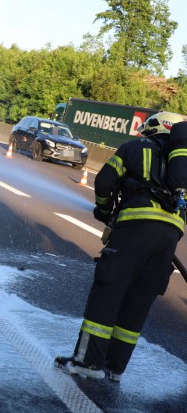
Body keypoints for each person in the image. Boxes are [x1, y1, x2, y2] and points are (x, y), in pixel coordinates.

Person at [54, 111, 186, 382]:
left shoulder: (134, 147)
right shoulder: (180, 163)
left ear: (152, 127)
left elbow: (104, 181)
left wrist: (104, 210)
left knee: (109, 291)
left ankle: (87, 363)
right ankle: (113, 368)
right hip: (171, 234)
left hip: (135, 227)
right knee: (138, 301)